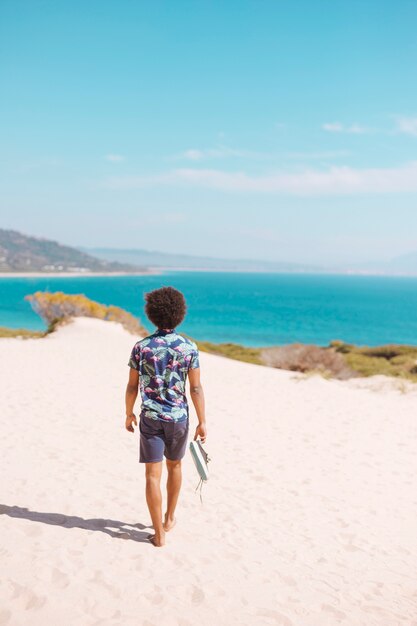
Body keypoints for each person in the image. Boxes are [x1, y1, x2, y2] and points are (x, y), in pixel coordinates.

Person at [125, 286, 207, 547]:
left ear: (152, 314)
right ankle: (169, 518)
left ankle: (158, 533)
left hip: (150, 417)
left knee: (152, 475)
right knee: (176, 466)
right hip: (179, 419)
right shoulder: (189, 347)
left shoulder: (142, 347)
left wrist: (128, 413)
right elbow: (195, 387)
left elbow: (131, 385)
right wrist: (202, 420)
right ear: (179, 314)